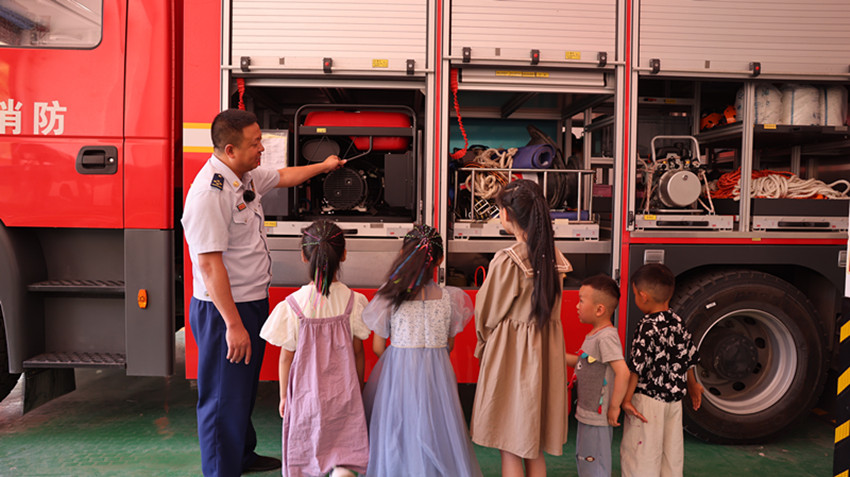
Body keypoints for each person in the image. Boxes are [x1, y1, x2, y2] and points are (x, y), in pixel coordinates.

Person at [181, 109, 345, 476]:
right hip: (225, 311)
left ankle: (242, 454)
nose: (262, 149)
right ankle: (221, 470)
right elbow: (209, 265)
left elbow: (284, 176)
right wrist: (233, 325)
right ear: (229, 149)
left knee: (242, 388)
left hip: (250, 302)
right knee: (222, 396)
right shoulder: (209, 194)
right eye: (255, 143)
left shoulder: (246, 176)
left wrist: (324, 166)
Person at [470, 179, 573, 477]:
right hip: (544, 356)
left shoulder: (508, 260)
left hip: (512, 358)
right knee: (533, 445)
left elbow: (487, 313)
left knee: (511, 444)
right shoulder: (555, 258)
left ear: (507, 214)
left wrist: (483, 343)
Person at [362, 224, 482, 477]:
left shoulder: (390, 296)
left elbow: (378, 347)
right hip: (437, 374)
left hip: (400, 374)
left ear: (403, 254)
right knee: (439, 426)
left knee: (399, 426)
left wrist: (402, 358)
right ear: (440, 259)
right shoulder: (452, 298)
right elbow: (448, 345)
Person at [259, 220, 370, 477]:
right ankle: (341, 470)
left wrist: (284, 397)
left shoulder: (293, 305)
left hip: (305, 396)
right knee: (345, 450)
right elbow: (358, 352)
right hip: (344, 394)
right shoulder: (354, 302)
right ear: (343, 255)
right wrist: (359, 388)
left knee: (306, 450)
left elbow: (286, 358)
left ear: (303, 256)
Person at [620, 263, 704, 477]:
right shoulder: (677, 320)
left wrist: (626, 399)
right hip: (674, 403)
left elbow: (636, 366)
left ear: (643, 296)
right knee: (671, 454)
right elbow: (688, 355)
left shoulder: (646, 326)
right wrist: (693, 385)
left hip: (647, 402)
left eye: (635, 295)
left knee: (641, 455)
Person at [566, 275, 630, 477]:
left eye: (581, 300)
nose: (577, 306)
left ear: (599, 309)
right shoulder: (595, 335)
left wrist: (614, 406)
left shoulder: (606, 337)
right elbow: (583, 362)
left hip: (598, 416)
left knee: (595, 463)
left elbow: (623, 371)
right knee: (585, 458)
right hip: (587, 412)